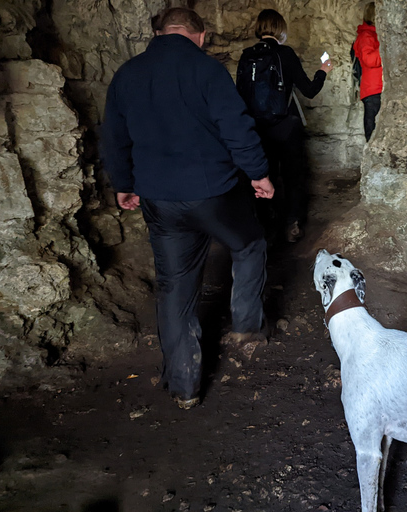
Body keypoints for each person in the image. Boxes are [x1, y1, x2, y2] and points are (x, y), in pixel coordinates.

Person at [102, 7, 274, 410]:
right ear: (201, 35)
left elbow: (114, 137)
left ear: (158, 33)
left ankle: (183, 386)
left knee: (174, 286)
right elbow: (237, 127)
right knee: (249, 244)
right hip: (212, 193)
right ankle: (247, 325)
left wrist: (124, 186)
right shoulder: (207, 70)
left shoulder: (127, 74)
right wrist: (259, 174)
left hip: (159, 199)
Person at [236, 9, 332, 244]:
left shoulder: (247, 55)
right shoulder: (285, 54)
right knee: (294, 176)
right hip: (286, 127)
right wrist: (323, 70)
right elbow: (309, 91)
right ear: (280, 30)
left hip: (256, 129)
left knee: (263, 175)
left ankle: (266, 226)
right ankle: (293, 223)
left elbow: (238, 96)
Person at [353, 2, 383, 141]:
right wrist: (384, 48)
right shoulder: (366, 36)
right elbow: (370, 60)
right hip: (373, 89)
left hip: (376, 88)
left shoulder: (371, 34)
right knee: (373, 131)